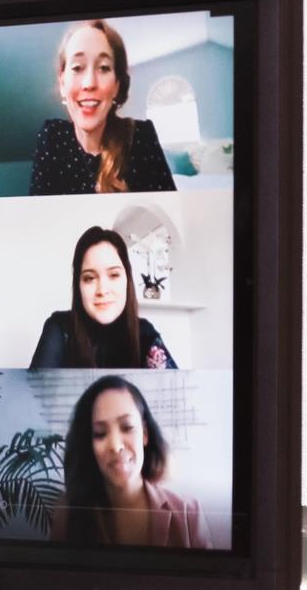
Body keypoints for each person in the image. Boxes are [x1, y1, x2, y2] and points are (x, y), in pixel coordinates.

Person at [52, 376, 212, 548]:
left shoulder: (189, 513)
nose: (115, 445)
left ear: (144, 434)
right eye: (99, 433)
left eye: (127, 427)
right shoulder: (68, 514)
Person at [28, 20, 178, 195]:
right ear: (62, 82)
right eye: (77, 67)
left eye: (104, 68)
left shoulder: (140, 136)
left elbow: (168, 216)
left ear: (116, 85)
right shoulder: (52, 136)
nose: (89, 83)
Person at [29, 226, 178, 369]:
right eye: (89, 278)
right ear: (78, 285)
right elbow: (32, 392)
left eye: (114, 275)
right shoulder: (60, 328)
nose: (103, 290)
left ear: (127, 279)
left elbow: (177, 390)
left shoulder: (144, 333)